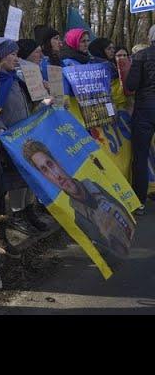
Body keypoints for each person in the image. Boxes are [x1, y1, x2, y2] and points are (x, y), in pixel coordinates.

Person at [23, 139, 135, 266]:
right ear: (44, 177)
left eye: (51, 164)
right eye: (45, 170)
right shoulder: (78, 218)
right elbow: (111, 251)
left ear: (58, 163)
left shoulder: (96, 185)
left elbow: (124, 211)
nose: (56, 175)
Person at [0, 39, 48, 257]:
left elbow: (27, 106)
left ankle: (24, 214)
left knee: (21, 180)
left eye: (16, 54)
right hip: (3, 142)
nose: (15, 59)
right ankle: (2, 228)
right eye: (11, 55)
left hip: (19, 140)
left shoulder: (14, 80)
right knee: (2, 188)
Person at [125, 25, 155, 215]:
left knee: (141, 157)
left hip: (145, 110)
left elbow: (131, 85)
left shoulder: (141, 56)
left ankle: (139, 201)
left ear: (150, 37)